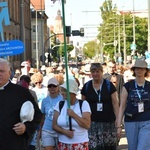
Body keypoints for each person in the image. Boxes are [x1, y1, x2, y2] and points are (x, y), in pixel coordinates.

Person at [0, 58, 42, 150]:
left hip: (13, 144)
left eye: (1, 71)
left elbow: (37, 115)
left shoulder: (21, 92)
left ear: (9, 72)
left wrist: (25, 127)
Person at [81, 62, 119, 150]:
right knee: (93, 147)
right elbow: (83, 105)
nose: (95, 74)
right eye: (93, 71)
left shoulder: (109, 85)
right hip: (92, 124)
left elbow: (115, 103)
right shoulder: (86, 86)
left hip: (108, 123)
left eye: (97, 71)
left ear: (101, 72)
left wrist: (118, 122)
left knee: (109, 147)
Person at [117, 59, 150, 150]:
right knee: (133, 148)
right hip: (131, 121)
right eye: (137, 69)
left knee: (143, 148)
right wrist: (119, 125)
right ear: (134, 70)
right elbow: (122, 106)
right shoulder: (128, 86)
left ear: (146, 71)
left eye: (142, 69)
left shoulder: (149, 86)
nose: (139, 71)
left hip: (147, 121)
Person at [52, 79, 91, 150]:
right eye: (62, 91)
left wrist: (74, 115)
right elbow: (54, 126)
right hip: (63, 144)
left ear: (72, 92)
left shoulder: (83, 104)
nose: (62, 93)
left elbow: (87, 125)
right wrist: (65, 132)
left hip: (80, 144)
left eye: (65, 91)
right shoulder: (60, 104)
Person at [40, 77, 63, 150]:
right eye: (50, 86)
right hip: (47, 130)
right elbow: (42, 116)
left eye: (54, 86)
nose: (52, 88)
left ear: (58, 87)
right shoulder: (44, 101)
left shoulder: (63, 99)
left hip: (60, 130)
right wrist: (40, 130)